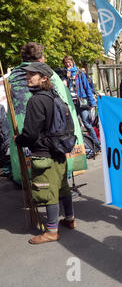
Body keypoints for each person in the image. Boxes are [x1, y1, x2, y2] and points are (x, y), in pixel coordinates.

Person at [14, 62, 75, 244]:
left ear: (44, 78)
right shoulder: (53, 97)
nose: (28, 77)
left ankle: (51, 231)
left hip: (44, 153)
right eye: (28, 74)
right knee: (62, 187)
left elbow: (31, 134)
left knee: (47, 190)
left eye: (32, 74)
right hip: (59, 150)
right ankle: (70, 219)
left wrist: (19, 139)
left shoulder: (36, 100)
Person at [62, 55, 100, 148]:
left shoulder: (80, 73)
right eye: (66, 63)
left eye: (69, 62)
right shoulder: (63, 74)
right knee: (74, 126)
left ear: (73, 62)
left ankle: (97, 144)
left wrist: (93, 103)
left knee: (87, 124)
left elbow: (87, 88)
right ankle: (84, 146)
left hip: (82, 102)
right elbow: (63, 88)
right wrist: (67, 78)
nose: (68, 64)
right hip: (71, 103)